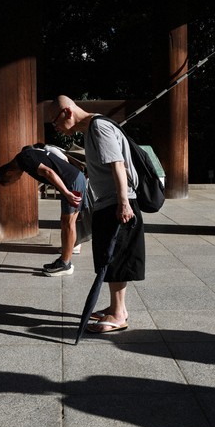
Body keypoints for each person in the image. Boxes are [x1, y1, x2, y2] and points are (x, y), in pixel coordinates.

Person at [49, 95, 144, 333]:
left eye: (55, 121)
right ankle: (116, 306)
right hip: (109, 202)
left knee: (115, 257)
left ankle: (119, 313)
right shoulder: (92, 128)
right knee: (108, 258)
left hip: (117, 202)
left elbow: (117, 164)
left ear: (68, 112)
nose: (56, 127)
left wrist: (123, 202)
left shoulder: (99, 127)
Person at [0, 144, 87, 276]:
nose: (16, 180)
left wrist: (66, 193)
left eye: (12, 181)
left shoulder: (23, 159)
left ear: (9, 173)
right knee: (68, 222)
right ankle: (65, 259)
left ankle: (65, 264)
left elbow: (48, 172)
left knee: (67, 223)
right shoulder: (25, 158)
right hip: (75, 179)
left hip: (72, 182)